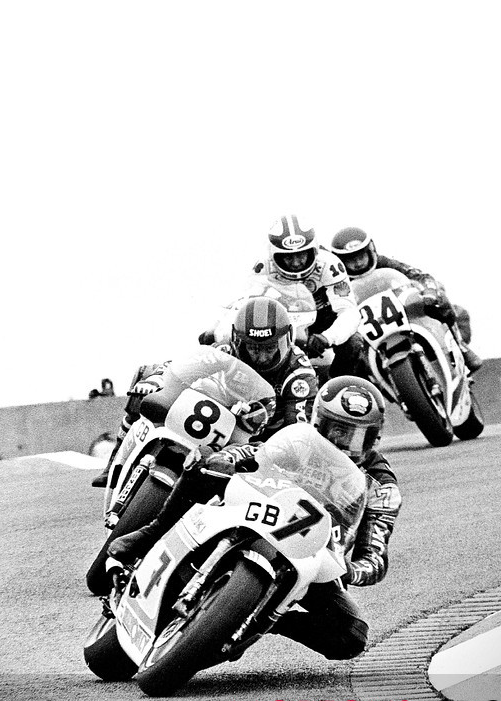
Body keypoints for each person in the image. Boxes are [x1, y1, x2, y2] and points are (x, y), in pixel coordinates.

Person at [108, 375, 401, 663]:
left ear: (374, 438)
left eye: (357, 436)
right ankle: (153, 531)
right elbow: (256, 450)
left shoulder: (382, 487)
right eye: (336, 430)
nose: (344, 444)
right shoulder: (299, 440)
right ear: (318, 422)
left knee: (351, 636)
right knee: (205, 464)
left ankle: (267, 621)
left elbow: (375, 556)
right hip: (260, 510)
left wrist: (350, 570)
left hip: (314, 556)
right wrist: (231, 459)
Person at [91, 297, 318, 487]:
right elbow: (179, 369)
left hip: (264, 441)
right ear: (239, 341)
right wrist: (155, 381)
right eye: (253, 348)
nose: (262, 358)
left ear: (286, 339)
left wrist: (265, 451)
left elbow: (297, 433)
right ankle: (116, 460)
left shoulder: (299, 375)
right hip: (219, 419)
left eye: (270, 349)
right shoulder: (226, 350)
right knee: (146, 375)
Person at [329, 226, 482, 372]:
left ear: (370, 251)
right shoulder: (337, 280)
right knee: (348, 350)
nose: (357, 263)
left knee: (438, 298)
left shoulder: (384, 263)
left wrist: (429, 291)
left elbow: (418, 275)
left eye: (360, 256)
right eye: (350, 259)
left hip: (401, 314)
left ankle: (460, 345)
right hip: (367, 328)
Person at [251, 214, 364, 378]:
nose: (296, 263)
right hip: (282, 324)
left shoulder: (330, 265)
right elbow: (246, 307)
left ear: (314, 249)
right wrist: (219, 330)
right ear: (274, 254)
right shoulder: (262, 268)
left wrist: (327, 337)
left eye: (301, 254)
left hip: (322, 321)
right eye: (288, 256)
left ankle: (338, 385)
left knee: (354, 343)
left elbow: (349, 311)